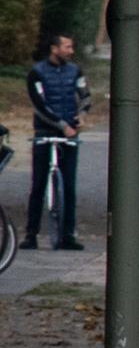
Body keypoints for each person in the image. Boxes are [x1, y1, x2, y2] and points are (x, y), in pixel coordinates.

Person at [24, 33, 87, 249]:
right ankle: (31, 234)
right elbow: (39, 106)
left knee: (69, 186)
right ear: (54, 49)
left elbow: (85, 95)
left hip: (69, 133)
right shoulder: (36, 73)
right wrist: (62, 125)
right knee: (38, 185)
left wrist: (82, 115)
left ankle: (68, 234)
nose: (71, 51)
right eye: (67, 47)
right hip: (45, 132)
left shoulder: (75, 71)